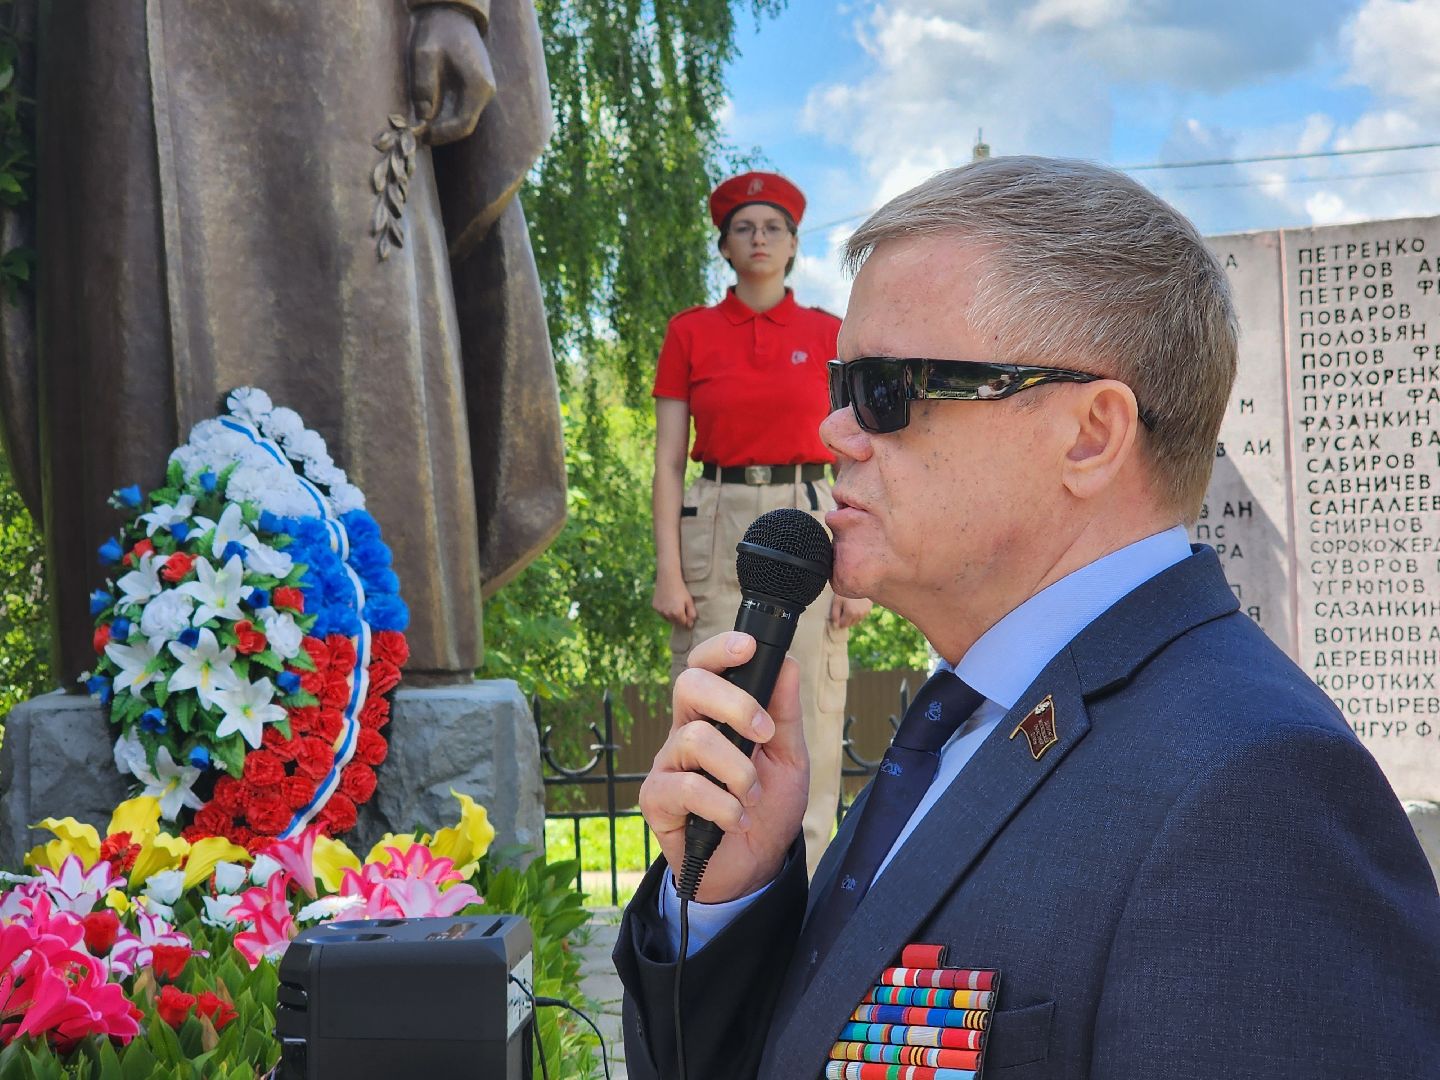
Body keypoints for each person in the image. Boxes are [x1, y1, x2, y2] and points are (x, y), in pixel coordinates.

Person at [615, 157, 1440, 1079]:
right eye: (844, 386)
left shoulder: (1258, 792)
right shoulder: (968, 715)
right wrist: (732, 897)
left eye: (887, 390)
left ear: (1090, 434)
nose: (834, 432)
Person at [0, 0, 565, 684]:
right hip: (104, 30)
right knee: (126, 301)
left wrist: (456, 7)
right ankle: (147, 673)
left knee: (366, 303)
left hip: (344, 29)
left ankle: (387, 658)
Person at [651, 171, 871, 876]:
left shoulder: (828, 332)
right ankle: (708, 885)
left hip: (807, 519)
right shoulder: (690, 332)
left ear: (793, 242)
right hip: (717, 520)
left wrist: (856, 571)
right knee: (716, 706)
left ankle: (807, 900)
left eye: (772, 227)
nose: (758, 239)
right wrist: (668, 570)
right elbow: (665, 461)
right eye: (744, 227)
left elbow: (854, 450)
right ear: (725, 242)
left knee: (809, 706)